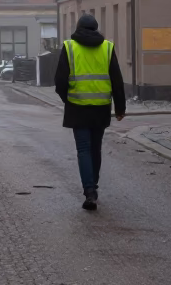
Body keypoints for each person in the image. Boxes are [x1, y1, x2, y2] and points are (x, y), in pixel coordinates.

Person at [54, 13, 126, 210]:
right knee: (96, 148)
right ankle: (93, 185)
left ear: (78, 28)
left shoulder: (69, 47)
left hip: (78, 108)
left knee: (84, 150)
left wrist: (67, 99)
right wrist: (120, 108)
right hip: (101, 108)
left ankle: (89, 192)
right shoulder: (107, 48)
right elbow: (117, 81)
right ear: (96, 29)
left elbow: (60, 81)